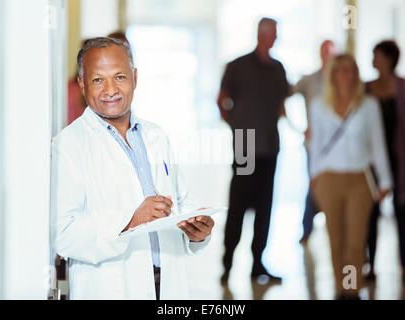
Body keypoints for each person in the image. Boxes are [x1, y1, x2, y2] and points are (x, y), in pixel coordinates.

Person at [50, 37, 214, 300]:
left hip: (167, 284)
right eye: (97, 80)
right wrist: (130, 220)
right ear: (81, 83)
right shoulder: (68, 146)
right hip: (111, 288)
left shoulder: (156, 136)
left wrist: (197, 232)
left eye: (119, 77)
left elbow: (182, 202)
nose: (110, 89)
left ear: (135, 78)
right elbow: (63, 233)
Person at [309, 54, 392, 299]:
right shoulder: (318, 106)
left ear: (356, 75)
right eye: (340, 70)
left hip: (359, 180)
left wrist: (385, 181)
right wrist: (314, 176)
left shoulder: (368, 106)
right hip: (329, 179)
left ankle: (351, 289)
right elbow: (316, 146)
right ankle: (339, 288)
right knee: (335, 240)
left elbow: (378, 146)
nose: (345, 75)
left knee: (356, 242)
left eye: (349, 70)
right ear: (332, 75)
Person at [217, 17, 289, 284]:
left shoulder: (278, 69)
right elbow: (221, 100)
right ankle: (227, 264)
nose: (275, 38)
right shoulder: (237, 66)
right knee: (238, 205)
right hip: (245, 144)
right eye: (272, 33)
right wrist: (237, 127)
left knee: (264, 207)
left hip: (270, 146)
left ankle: (258, 265)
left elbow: (282, 105)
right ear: (261, 34)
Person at [365, 40, 405, 282]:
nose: (373, 59)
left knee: (402, 212)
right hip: (371, 159)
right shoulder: (366, 88)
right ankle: (369, 265)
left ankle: (404, 265)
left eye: (376, 55)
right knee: (370, 213)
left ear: (388, 59)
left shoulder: (402, 86)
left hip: (398, 157)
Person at [293, 40, 338, 244]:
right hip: (313, 145)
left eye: (331, 51)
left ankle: (335, 230)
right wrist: (298, 127)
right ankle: (307, 229)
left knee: (333, 187)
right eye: (324, 51)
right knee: (314, 186)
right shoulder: (309, 80)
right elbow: (285, 95)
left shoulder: (341, 80)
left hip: (337, 148)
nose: (327, 55)